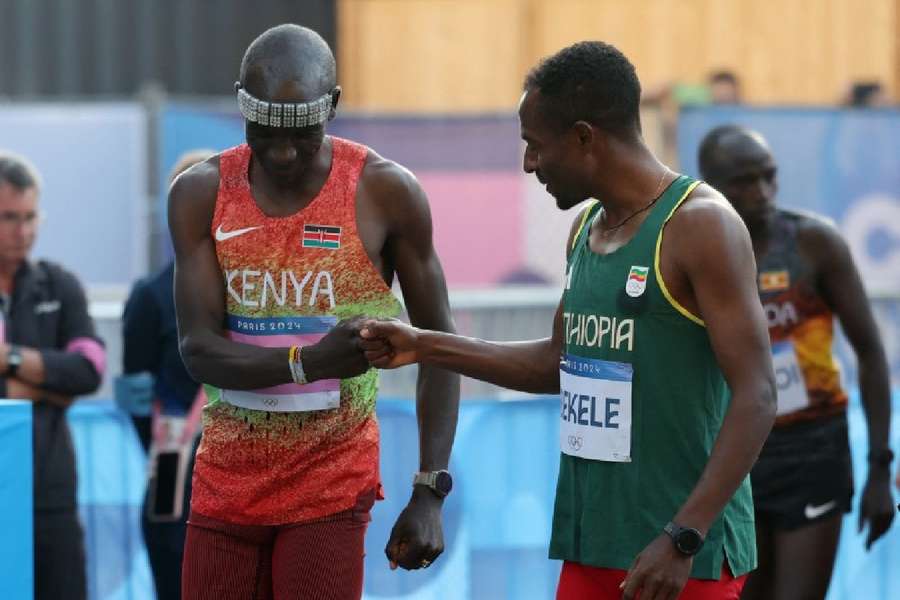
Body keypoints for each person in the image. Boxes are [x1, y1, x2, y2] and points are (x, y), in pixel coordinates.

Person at [360, 41, 776, 600]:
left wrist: (683, 536)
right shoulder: (587, 230)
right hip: (595, 543)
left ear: (584, 137)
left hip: (681, 556)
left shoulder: (700, 226)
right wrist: (424, 345)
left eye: (535, 145)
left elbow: (758, 395)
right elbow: (557, 363)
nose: (530, 164)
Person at [167, 24, 460, 600]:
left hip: (329, 488)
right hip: (225, 486)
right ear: (240, 105)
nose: (281, 151)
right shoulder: (200, 193)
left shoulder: (385, 193)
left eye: (302, 132)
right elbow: (198, 351)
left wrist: (430, 490)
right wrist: (311, 362)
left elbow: (439, 345)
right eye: (264, 131)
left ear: (333, 106)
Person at [697, 125, 896, 600]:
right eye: (744, 181)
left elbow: (870, 353)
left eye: (769, 177)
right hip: (734, 453)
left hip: (813, 449)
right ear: (711, 187)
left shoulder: (814, 244)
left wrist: (880, 470)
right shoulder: (697, 252)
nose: (762, 193)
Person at [0, 151, 106, 600]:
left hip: (49, 496)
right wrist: (47, 389)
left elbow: (88, 369)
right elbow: (64, 382)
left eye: (29, 217)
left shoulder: (59, 286)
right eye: (7, 217)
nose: (21, 231)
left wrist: (11, 361)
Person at [121, 149, 214, 600]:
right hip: (174, 489)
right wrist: (169, 450)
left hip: (248, 487)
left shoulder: (257, 290)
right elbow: (132, 392)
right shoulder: (150, 296)